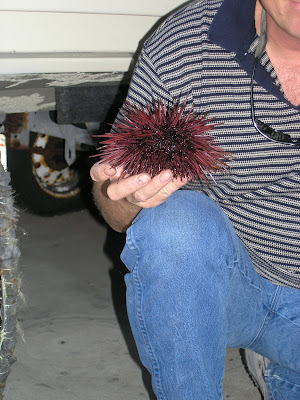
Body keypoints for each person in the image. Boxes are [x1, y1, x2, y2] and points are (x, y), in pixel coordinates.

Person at [90, 0, 300, 398]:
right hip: (236, 286)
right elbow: (115, 212)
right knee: (174, 223)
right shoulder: (189, 43)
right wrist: (126, 193)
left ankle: (280, 364)